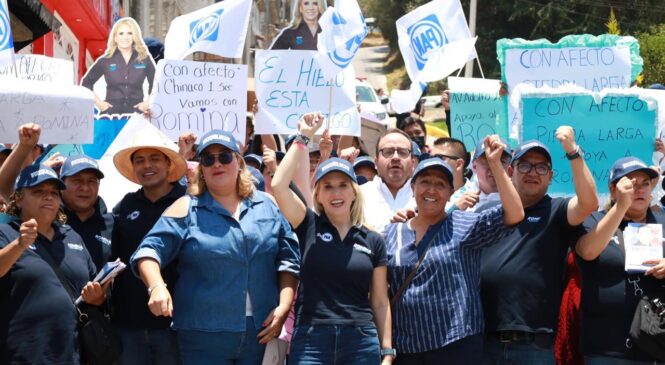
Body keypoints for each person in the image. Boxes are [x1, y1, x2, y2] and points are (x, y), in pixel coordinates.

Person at [131, 130, 300, 364]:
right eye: (208, 159)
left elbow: (289, 260)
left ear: (239, 162)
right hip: (203, 335)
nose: (217, 163)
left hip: (260, 332)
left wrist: (284, 306)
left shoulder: (267, 205)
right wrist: (157, 286)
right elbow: (149, 251)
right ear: (201, 168)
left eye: (224, 156)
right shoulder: (186, 207)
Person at [384, 136, 523, 364]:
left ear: (451, 192)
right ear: (412, 187)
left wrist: (495, 163)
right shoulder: (391, 233)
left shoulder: (465, 225)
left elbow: (515, 214)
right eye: (425, 182)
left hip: (456, 345)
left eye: (440, 184)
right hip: (405, 350)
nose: (432, 190)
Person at [271, 112, 394, 365]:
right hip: (312, 340)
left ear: (353, 191)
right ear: (318, 194)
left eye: (342, 185)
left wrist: (387, 351)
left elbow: (380, 302)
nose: (336, 192)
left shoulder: (373, 240)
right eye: (327, 186)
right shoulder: (307, 225)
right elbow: (279, 185)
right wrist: (303, 137)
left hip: (361, 341)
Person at [481, 127, 599, 364]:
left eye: (541, 167)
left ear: (551, 176)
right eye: (525, 165)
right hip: (484, 340)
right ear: (511, 171)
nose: (533, 172)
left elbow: (588, 203)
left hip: (534, 345)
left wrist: (572, 152)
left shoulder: (556, 210)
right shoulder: (487, 212)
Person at [0, 164, 107, 364]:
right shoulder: (6, 233)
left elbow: (94, 290)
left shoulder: (71, 236)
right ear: (19, 198)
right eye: (38, 191)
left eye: (54, 193)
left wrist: (97, 297)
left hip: (72, 353)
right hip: (22, 354)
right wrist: (19, 244)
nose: (48, 197)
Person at [575, 157, 665, 364]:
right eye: (631, 184)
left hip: (656, 346)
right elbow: (587, 251)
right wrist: (621, 207)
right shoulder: (594, 220)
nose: (639, 189)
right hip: (606, 349)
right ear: (613, 190)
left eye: (645, 183)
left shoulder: (662, 220)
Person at [111, 129, 187, 365]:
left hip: (179, 325)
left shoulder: (190, 202)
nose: (147, 166)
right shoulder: (124, 206)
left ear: (168, 163)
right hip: (129, 325)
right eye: (140, 160)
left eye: (154, 158)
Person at [81, 17, 155, 115]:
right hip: (111, 116)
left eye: (130, 33)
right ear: (115, 38)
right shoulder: (105, 60)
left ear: (134, 36)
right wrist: (100, 104)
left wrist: (147, 104)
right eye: (121, 33)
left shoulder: (144, 59)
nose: (125, 37)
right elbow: (86, 83)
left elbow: (157, 84)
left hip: (137, 116)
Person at [59, 155, 114, 270]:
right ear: (61, 184)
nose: (85, 188)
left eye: (92, 181)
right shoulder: (47, 218)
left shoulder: (112, 224)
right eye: (77, 180)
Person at [361, 128, 417, 233]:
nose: (395, 157)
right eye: (388, 152)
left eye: (402, 152)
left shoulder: (426, 195)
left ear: (413, 163)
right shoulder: (358, 195)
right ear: (376, 163)